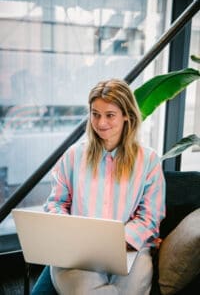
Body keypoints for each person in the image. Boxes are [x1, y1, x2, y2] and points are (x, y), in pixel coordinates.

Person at [32, 78, 166, 295]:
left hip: (130, 249)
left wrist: (118, 242)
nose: (101, 123)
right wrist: (72, 235)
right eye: (95, 114)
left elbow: (150, 217)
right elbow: (56, 204)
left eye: (110, 115)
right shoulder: (74, 156)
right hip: (79, 251)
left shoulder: (149, 160)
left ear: (127, 116)